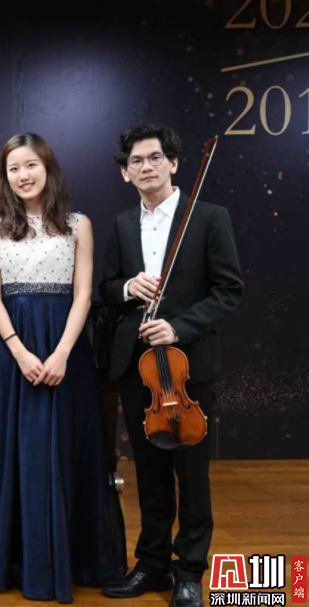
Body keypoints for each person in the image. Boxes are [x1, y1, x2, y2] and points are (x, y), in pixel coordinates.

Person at [0, 133, 127, 603]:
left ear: (48, 168)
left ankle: (71, 559)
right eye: (13, 168)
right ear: (5, 176)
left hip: (66, 350)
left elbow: (83, 295)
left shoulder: (78, 224)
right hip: (12, 353)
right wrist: (18, 350)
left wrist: (61, 354)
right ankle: (14, 558)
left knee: (66, 450)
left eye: (31, 165)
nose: (23, 175)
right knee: (15, 452)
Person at [99, 124, 244, 607]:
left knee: (192, 474)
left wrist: (178, 327)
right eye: (136, 161)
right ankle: (152, 563)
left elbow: (228, 291)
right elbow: (107, 288)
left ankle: (190, 571)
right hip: (138, 367)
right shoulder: (122, 223)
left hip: (186, 368)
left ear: (174, 163)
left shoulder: (209, 216)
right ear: (125, 172)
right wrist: (127, 288)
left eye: (155, 157)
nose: (146, 167)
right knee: (149, 471)